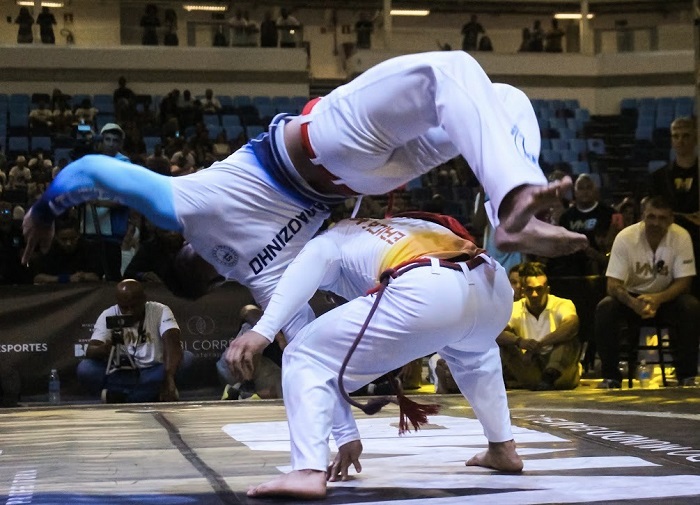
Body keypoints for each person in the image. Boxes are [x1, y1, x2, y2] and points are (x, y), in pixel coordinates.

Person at [226, 215, 524, 499]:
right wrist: (345, 435)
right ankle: (503, 448)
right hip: (493, 286)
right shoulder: (393, 228)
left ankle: (306, 471)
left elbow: (307, 273)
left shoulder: (331, 238)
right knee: (475, 355)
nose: (333, 298)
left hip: (427, 287)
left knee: (304, 356)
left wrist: (263, 331)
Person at [595, 196, 699, 388]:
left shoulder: (681, 236)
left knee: (690, 305)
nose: (655, 223)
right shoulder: (625, 238)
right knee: (605, 307)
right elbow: (612, 284)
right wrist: (633, 303)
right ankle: (610, 376)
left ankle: (687, 375)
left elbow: (684, 282)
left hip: (666, 297)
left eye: (662, 218)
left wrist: (658, 299)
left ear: (671, 219)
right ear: (643, 216)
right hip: (631, 298)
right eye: (651, 217)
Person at [76, 279, 193, 403]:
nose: (130, 311)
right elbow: (91, 350)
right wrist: (104, 349)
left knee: (186, 359)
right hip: (123, 374)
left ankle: (123, 398)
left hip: (154, 369)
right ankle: (151, 394)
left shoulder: (160, 310)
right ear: (118, 302)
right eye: (124, 307)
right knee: (86, 369)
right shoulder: (108, 314)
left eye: (134, 306)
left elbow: (172, 342)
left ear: (144, 299)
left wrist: (169, 377)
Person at [497, 262, 581, 391]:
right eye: (530, 290)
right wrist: (520, 341)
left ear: (547, 289)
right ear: (523, 291)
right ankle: (542, 381)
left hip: (558, 361)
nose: (535, 294)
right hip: (531, 364)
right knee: (505, 343)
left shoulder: (562, 304)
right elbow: (497, 333)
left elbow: (572, 325)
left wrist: (540, 344)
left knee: (569, 339)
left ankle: (552, 374)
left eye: (539, 289)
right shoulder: (515, 308)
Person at [650, 117, 700, 298]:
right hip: (668, 245)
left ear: (695, 138)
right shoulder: (658, 177)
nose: (680, 140)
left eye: (686, 135)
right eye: (676, 136)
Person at [547, 173, 614, 277]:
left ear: (595, 190)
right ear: (575, 192)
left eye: (589, 187)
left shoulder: (608, 213)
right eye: (581, 188)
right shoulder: (566, 216)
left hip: (601, 267)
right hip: (571, 269)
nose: (585, 192)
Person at [217, 304, 285, 400]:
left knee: (284, 384)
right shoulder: (265, 305)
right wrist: (279, 337)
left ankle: (242, 395)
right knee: (252, 339)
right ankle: (246, 390)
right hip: (234, 366)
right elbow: (247, 310)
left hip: (270, 370)